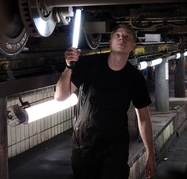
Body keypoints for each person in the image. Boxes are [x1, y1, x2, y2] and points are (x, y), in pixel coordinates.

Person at [55, 24, 156, 179]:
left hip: (116, 144)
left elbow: (143, 117)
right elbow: (60, 96)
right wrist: (69, 67)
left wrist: (150, 153)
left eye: (127, 36)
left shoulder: (135, 77)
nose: (122, 38)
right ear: (110, 42)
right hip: (85, 142)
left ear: (133, 46)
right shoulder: (90, 64)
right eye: (118, 35)